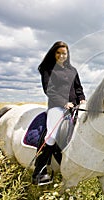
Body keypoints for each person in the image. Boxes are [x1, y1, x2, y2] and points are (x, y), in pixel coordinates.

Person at [32, 41, 86, 185]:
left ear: (67, 55)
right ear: (54, 53)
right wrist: (64, 102)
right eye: (58, 53)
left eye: (64, 53)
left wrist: (81, 99)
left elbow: (78, 88)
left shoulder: (72, 70)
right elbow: (49, 90)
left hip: (75, 107)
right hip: (57, 107)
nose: (62, 56)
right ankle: (39, 171)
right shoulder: (47, 69)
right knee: (52, 135)